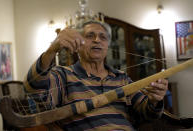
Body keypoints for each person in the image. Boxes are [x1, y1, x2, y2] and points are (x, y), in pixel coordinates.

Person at [24, 20, 168, 131]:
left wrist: (155, 100)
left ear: (107, 46)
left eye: (103, 37)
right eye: (90, 36)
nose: (97, 40)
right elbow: (32, 86)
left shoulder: (122, 77)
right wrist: (52, 49)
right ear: (78, 44)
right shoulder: (63, 74)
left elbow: (148, 113)